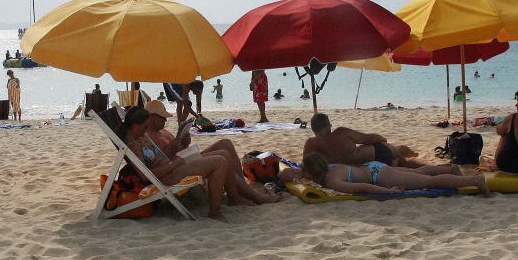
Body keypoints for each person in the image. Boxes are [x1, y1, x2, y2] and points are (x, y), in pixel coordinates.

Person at [142, 100, 278, 205]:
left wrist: (184, 142)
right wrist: (174, 147)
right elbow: (165, 161)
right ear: (152, 117)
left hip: (185, 159)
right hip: (177, 167)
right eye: (162, 117)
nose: (165, 120)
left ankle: (240, 190)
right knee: (223, 157)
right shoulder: (149, 137)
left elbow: (180, 151)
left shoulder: (163, 132)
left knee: (226, 143)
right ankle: (252, 197)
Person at [115, 106, 232, 222]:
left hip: (171, 167)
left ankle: (234, 198)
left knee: (223, 154)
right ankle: (215, 212)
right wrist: (173, 165)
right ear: (135, 125)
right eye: (145, 127)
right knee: (219, 162)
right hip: (166, 176)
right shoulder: (132, 145)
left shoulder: (139, 137)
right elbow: (145, 175)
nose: (146, 131)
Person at [287, 152, 490, 197]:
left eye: (305, 172)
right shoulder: (329, 166)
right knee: (415, 172)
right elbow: (285, 174)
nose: (302, 175)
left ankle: (474, 180)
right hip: (373, 167)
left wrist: (388, 190)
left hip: (378, 178)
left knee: (426, 181)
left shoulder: (333, 180)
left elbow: (363, 188)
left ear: (313, 173)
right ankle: (449, 168)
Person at [304, 113, 452, 173]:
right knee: (400, 155)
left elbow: (305, 166)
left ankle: (434, 167)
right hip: (378, 153)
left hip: (365, 167)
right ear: (328, 125)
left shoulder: (310, 145)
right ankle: (435, 166)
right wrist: (382, 139)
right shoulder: (341, 133)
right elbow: (369, 138)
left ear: (313, 129)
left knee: (401, 163)